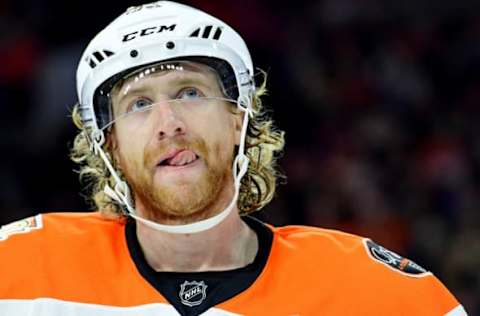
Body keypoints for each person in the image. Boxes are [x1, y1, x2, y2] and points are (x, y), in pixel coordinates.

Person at [0, 1, 467, 315]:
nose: (169, 121)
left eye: (190, 91)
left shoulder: (385, 296)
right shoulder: (15, 269)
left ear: (240, 119)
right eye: (138, 104)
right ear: (109, 145)